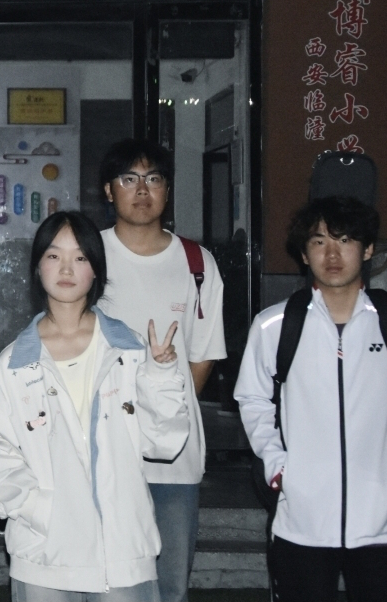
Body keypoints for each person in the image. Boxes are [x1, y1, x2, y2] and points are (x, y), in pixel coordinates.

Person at [0, 211, 188, 602]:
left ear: (96, 270)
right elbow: (0, 452)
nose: (66, 268)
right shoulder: (14, 362)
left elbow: (163, 444)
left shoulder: (129, 349)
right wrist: (37, 509)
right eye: (53, 256)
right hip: (44, 551)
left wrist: (162, 376)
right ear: (37, 268)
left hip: (122, 550)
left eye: (80, 257)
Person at [234, 196, 387, 602]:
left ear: (367, 249)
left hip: (384, 525)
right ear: (304, 254)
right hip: (300, 525)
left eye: (345, 240)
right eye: (319, 242)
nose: (332, 254)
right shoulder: (274, 325)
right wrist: (279, 469)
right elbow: (252, 399)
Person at [96, 139, 226, 602]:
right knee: (106, 581)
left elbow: (204, 354)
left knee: (170, 585)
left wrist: (161, 417)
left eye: (153, 179)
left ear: (167, 191)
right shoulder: (88, 256)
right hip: (102, 451)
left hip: (174, 459)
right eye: (128, 178)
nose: (141, 189)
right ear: (109, 190)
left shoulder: (197, 263)